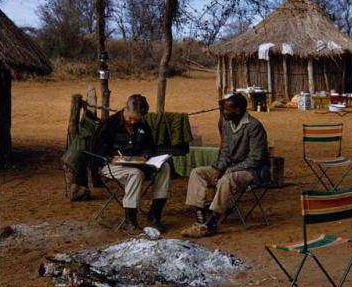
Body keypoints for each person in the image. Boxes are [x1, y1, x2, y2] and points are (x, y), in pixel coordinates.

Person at [181, 93, 270, 238]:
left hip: (251, 171)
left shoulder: (254, 127)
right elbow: (226, 151)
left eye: (227, 110)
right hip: (230, 168)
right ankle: (200, 219)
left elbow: (256, 158)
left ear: (237, 111)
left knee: (226, 179)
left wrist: (230, 170)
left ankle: (212, 224)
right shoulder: (226, 123)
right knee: (197, 172)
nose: (224, 112)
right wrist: (219, 169)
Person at [90, 94, 171, 232]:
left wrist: (145, 156)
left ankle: (154, 215)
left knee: (165, 168)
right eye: (131, 118)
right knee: (135, 174)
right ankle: (130, 221)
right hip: (111, 166)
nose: (133, 122)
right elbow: (97, 150)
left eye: (137, 119)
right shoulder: (110, 124)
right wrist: (110, 158)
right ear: (125, 108)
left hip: (139, 164)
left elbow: (150, 147)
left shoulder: (143, 125)